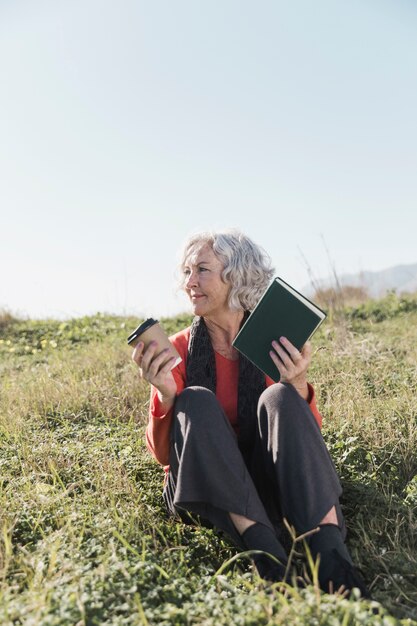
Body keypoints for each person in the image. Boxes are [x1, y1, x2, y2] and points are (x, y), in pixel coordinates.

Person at [132, 229, 369, 596]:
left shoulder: (268, 340)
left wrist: (298, 383)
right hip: (202, 480)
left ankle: (331, 555)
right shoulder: (176, 350)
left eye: (202, 270)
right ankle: (267, 553)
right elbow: (165, 456)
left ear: (236, 275)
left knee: (279, 396)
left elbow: (305, 442)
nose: (189, 282)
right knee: (194, 399)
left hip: (265, 474)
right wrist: (165, 397)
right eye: (186, 272)